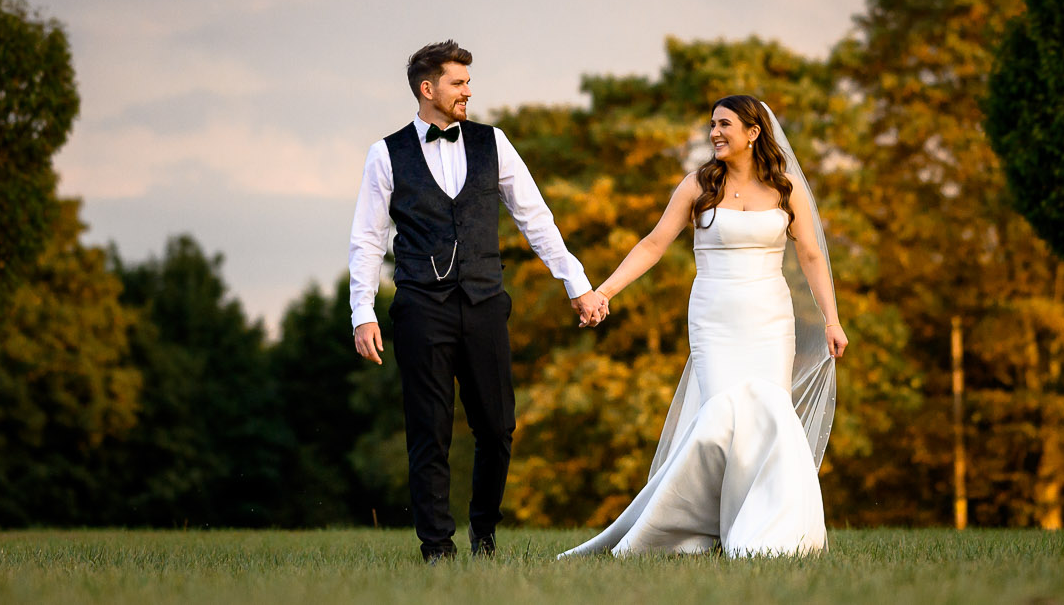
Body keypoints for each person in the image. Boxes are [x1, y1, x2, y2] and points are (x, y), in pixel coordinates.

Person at [348, 40, 604, 562]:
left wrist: (575, 283)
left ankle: (483, 535)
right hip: (421, 306)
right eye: (458, 83)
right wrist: (362, 312)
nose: (468, 91)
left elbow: (536, 218)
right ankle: (436, 549)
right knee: (429, 432)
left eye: (468, 82)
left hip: (486, 301)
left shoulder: (495, 143)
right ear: (428, 89)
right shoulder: (385, 153)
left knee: (498, 427)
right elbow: (368, 240)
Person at [561, 95, 846, 557]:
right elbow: (653, 244)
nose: (714, 132)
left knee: (768, 416)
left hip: (770, 319)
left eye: (724, 124)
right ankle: (694, 529)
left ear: (753, 133)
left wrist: (832, 320)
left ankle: (764, 533)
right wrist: (604, 292)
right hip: (715, 317)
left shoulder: (785, 188)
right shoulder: (698, 185)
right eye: (712, 124)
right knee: (720, 420)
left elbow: (811, 255)